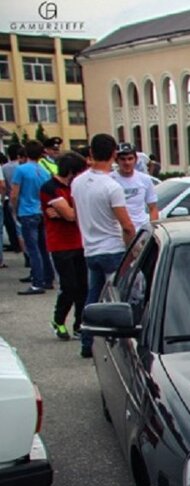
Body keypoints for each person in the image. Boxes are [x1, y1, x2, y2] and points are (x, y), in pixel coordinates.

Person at [73, 133, 136, 360]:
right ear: (113, 155)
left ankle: (86, 342)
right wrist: (133, 249)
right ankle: (121, 347)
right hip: (112, 248)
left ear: (90, 153)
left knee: (93, 297)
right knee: (119, 299)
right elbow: (126, 225)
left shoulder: (78, 182)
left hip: (90, 248)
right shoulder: (112, 186)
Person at [40, 151, 88, 339]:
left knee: (83, 286)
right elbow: (70, 215)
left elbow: (72, 213)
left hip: (80, 241)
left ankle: (79, 324)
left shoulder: (75, 187)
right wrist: (70, 213)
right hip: (60, 244)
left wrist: (66, 213)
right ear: (70, 172)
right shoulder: (50, 187)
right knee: (69, 286)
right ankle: (58, 320)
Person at [10, 140, 53, 295]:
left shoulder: (21, 170)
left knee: (32, 249)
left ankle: (37, 282)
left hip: (27, 212)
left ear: (26, 153)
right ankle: (48, 278)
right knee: (43, 247)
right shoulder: (44, 171)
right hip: (41, 210)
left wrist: (14, 209)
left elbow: (14, 193)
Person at [112, 143, 158, 232]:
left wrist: (153, 229)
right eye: (123, 159)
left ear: (136, 159)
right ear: (116, 160)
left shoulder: (145, 179)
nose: (127, 162)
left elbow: (153, 207)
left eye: (130, 159)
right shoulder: (110, 180)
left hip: (141, 231)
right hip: (118, 232)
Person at [2, 146, 22, 256]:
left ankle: (18, 247)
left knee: (14, 226)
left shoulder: (4, 168)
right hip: (25, 199)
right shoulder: (22, 166)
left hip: (11, 198)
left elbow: (4, 185)